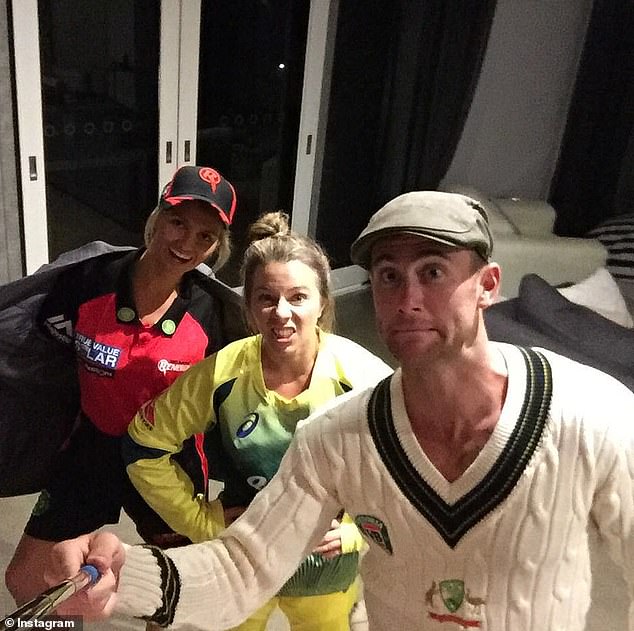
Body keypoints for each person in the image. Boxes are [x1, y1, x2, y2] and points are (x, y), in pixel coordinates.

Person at [45, 191, 634, 631]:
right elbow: (245, 565)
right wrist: (129, 574)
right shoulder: (336, 435)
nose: (407, 300)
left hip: (329, 592)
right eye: (387, 276)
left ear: (488, 284)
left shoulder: (595, 414)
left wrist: (350, 536)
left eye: (433, 272)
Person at [121, 211, 393, 630]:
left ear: (322, 302)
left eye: (298, 297)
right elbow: (143, 444)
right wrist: (201, 522)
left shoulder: (362, 377)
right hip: (243, 564)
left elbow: (407, 469)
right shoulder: (224, 372)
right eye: (266, 298)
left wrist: (360, 530)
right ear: (248, 305)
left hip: (324, 575)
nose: (280, 312)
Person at [5, 165, 239, 605]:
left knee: (176, 597)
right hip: (92, 448)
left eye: (205, 236)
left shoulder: (213, 315)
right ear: (155, 218)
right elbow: (34, 349)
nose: (187, 243)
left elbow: (247, 399)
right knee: (25, 579)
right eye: (178, 223)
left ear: (216, 248)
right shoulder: (89, 281)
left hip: (167, 463)